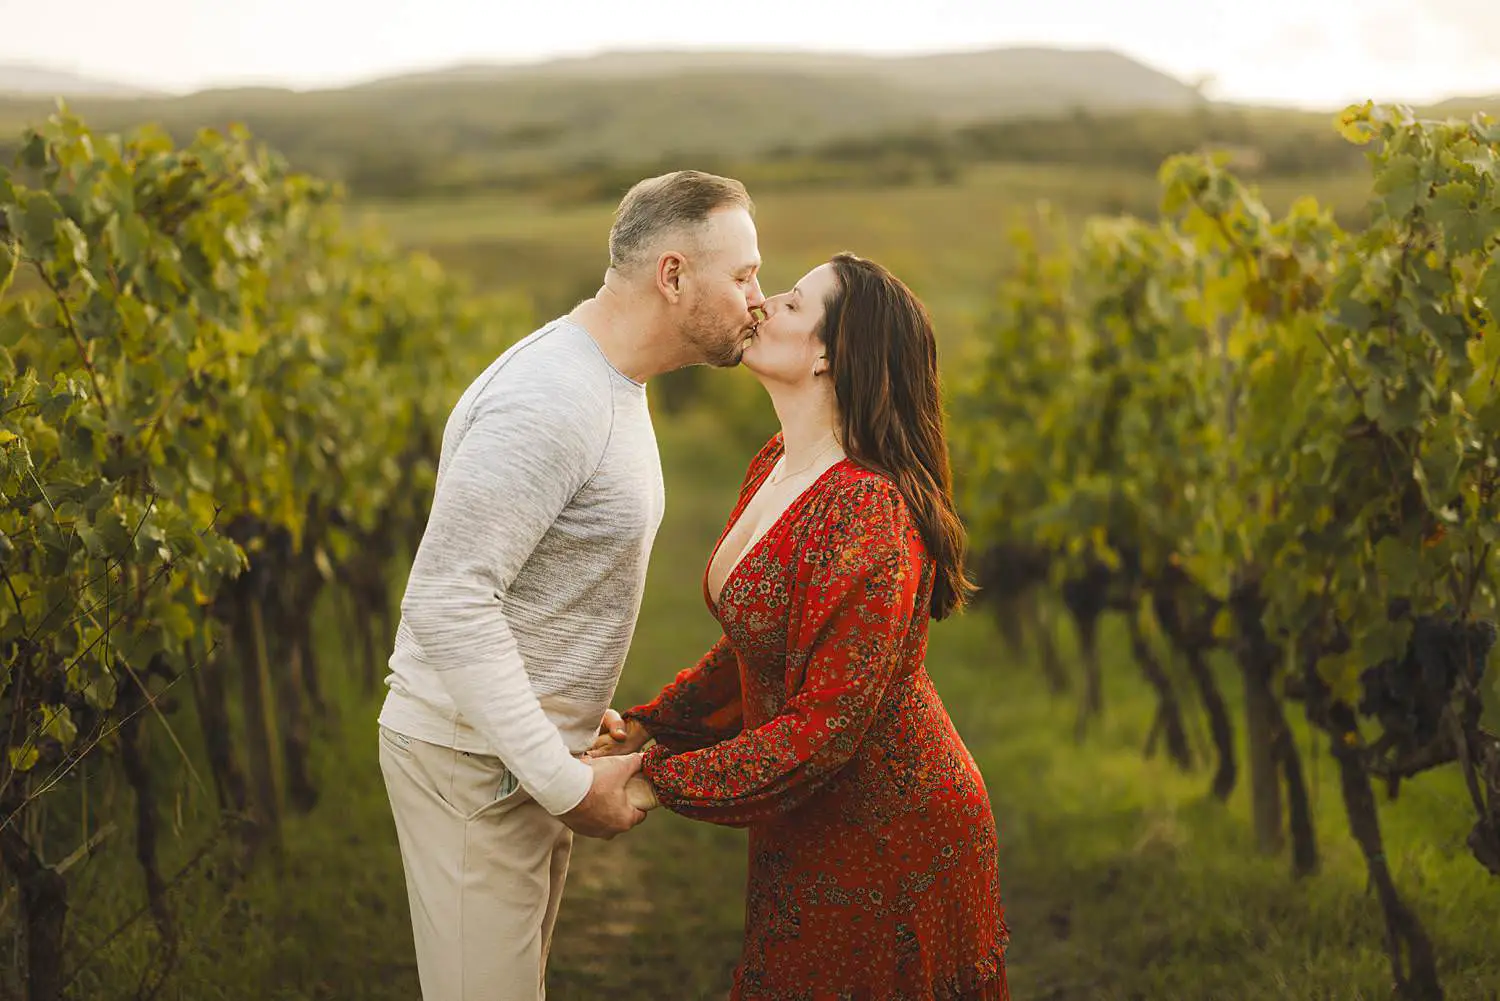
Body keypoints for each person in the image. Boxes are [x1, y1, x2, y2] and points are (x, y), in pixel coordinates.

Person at [376, 169, 766, 1001]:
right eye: (742, 277)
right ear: (672, 275)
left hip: (518, 753)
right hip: (472, 765)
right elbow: (448, 596)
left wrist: (571, 725)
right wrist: (563, 786)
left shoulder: (614, 381)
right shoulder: (552, 396)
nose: (758, 300)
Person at [592, 252, 1011, 1000]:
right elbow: (763, 639)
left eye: (791, 302)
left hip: (893, 835)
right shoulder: (778, 464)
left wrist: (653, 782)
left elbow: (824, 727)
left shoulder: (869, 513)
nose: (762, 303)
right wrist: (651, 726)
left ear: (828, 353)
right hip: (810, 824)